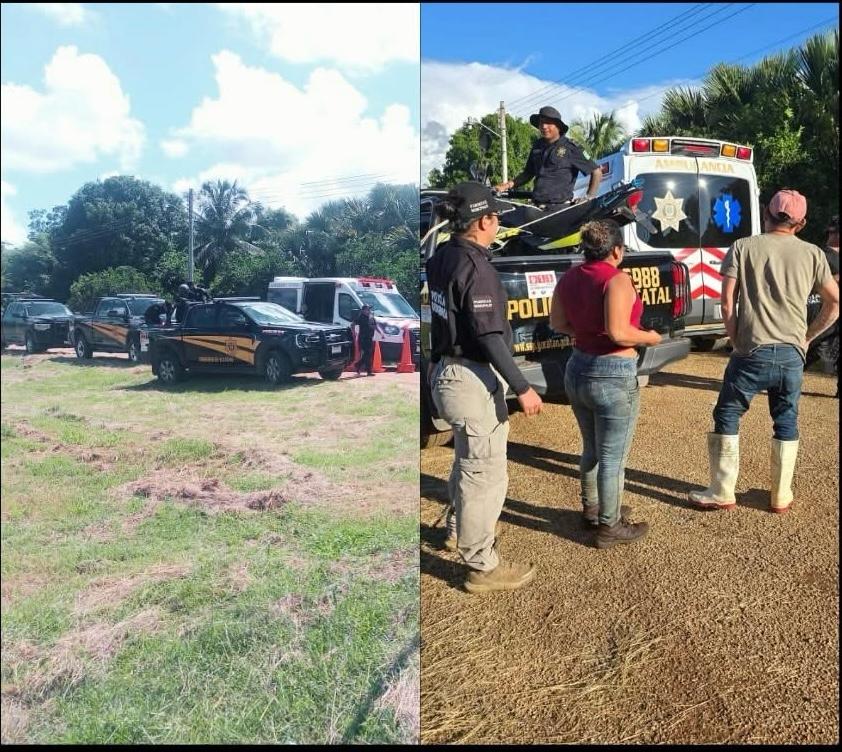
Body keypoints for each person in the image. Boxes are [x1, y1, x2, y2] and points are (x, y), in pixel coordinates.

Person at [689, 190, 839, 513]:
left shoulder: (743, 247)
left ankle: (722, 490)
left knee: (728, 413)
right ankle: (780, 496)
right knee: (786, 419)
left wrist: (735, 338)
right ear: (801, 223)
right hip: (791, 354)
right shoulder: (814, 254)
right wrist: (807, 337)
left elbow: (727, 301)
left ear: (767, 213)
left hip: (751, 351)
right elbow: (835, 302)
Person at [427, 181, 543, 594]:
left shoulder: (442, 256)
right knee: (484, 471)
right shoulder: (477, 268)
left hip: (446, 369)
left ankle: (458, 528)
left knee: (466, 459)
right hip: (468, 375)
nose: (497, 222)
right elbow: (490, 335)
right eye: (494, 216)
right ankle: (482, 565)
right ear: (483, 221)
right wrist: (522, 386)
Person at [550, 220, 661, 549]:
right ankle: (610, 526)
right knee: (613, 458)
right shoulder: (617, 280)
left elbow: (558, 322)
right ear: (616, 250)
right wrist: (650, 338)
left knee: (592, 449)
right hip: (613, 371)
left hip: (578, 368)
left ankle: (594, 509)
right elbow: (620, 332)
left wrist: (585, 333)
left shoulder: (568, 278)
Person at [494, 105, 602, 209]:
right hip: (537, 207)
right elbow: (527, 174)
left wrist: (588, 197)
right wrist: (506, 185)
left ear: (558, 126)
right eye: (541, 123)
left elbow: (596, 172)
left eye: (548, 123)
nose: (544, 126)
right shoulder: (537, 146)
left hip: (559, 208)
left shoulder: (571, 148)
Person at [353, 304, 384, 376]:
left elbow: (375, 326)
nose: (369, 311)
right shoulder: (360, 317)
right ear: (363, 311)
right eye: (367, 309)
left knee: (368, 354)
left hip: (369, 337)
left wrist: (381, 333)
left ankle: (358, 365)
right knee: (368, 354)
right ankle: (368, 371)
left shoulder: (371, 317)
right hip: (363, 338)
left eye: (369, 309)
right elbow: (352, 324)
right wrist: (354, 333)